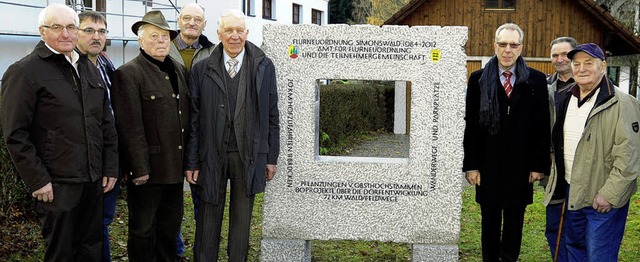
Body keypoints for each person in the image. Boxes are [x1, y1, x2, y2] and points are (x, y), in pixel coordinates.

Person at [1, 3, 118, 261]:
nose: (65, 33)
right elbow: (15, 134)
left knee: (92, 249)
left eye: (70, 27)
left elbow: (105, 124)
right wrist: (38, 180)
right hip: (56, 185)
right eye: (56, 27)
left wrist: (110, 167)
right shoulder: (25, 71)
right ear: (42, 32)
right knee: (62, 252)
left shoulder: (88, 67)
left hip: (92, 179)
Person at [185, 9, 280, 261]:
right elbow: (194, 118)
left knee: (242, 221)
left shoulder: (263, 66)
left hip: (248, 155)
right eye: (229, 30)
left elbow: (272, 115)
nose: (235, 36)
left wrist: (271, 157)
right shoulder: (201, 68)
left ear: (247, 33)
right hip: (210, 155)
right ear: (218, 34)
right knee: (207, 218)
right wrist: (192, 160)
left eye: (239, 30)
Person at [543, 43, 640, 261]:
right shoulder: (567, 98)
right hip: (574, 192)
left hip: (602, 198)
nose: (581, 69)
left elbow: (629, 158)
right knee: (575, 250)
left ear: (603, 66)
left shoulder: (622, 103)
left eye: (589, 63)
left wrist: (609, 195)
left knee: (599, 255)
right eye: (576, 64)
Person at [462, 23, 550, 262]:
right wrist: (471, 165)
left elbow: (542, 126)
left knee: (514, 220)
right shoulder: (478, 79)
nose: (507, 50)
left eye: (513, 45)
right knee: (489, 220)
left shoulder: (537, 81)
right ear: (495, 46)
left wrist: (538, 165)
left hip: (521, 166)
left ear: (521, 47)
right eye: (502, 44)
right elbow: (470, 126)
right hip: (488, 163)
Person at [110, 11, 190, 262]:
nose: (161, 41)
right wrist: (139, 168)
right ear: (140, 41)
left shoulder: (177, 69)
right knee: (143, 230)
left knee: (169, 227)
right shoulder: (129, 73)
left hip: (175, 169)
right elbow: (129, 126)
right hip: (149, 171)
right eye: (154, 36)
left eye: (165, 36)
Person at [168, 3, 215, 257]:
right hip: (169, 134)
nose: (192, 23)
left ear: (204, 25)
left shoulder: (213, 52)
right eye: (187, 18)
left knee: (202, 197)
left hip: (201, 135)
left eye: (197, 19)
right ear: (178, 21)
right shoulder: (164, 48)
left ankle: (203, 250)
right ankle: (175, 249)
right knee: (171, 199)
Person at [74, 10, 120, 262]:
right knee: (90, 224)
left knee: (103, 219)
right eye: (89, 31)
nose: (96, 37)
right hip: (86, 161)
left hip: (109, 156)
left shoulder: (105, 63)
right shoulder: (72, 66)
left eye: (101, 31)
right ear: (75, 32)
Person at [543, 36, 577, 262]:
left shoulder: (590, 86)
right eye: (555, 55)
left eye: (565, 54)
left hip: (580, 168)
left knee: (577, 229)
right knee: (554, 227)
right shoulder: (546, 89)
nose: (560, 59)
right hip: (555, 169)